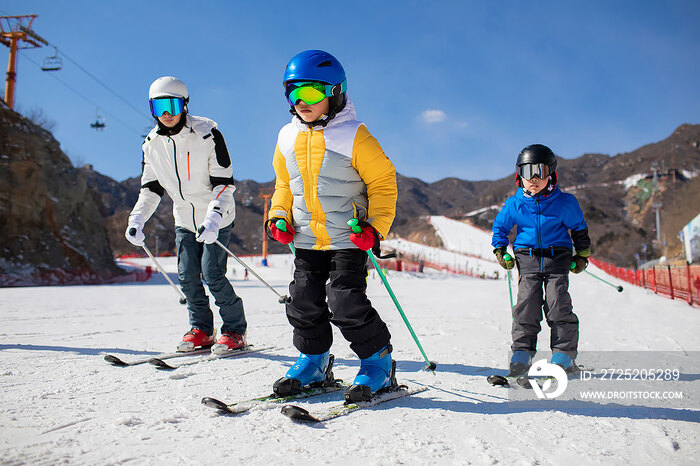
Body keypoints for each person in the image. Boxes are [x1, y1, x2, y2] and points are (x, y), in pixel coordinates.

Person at [265, 50, 398, 402]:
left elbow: (383, 184)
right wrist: (278, 216)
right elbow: (283, 184)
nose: (301, 102)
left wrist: (375, 226)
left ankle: (377, 363)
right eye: (293, 93)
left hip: (348, 238)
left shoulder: (356, 135)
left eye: (310, 93)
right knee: (303, 299)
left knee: (344, 300)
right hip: (307, 237)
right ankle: (314, 360)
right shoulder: (286, 137)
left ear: (335, 92)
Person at [125, 76, 247, 354]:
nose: (167, 113)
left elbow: (224, 184)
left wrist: (214, 219)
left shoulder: (207, 134)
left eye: (172, 105)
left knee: (212, 273)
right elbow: (151, 188)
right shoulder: (151, 144)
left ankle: (234, 330)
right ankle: (202, 329)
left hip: (217, 216)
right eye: (159, 107)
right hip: (183, 219)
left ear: (185, 105)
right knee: (187, 275)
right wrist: (137, 219)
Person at [491, 144, 591, 376]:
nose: (534, 178)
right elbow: (500, 228)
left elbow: (579, 230)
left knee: (558, 305)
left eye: (540, 171)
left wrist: (582, 255)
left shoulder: (565, 202)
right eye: (528, 172)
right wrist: (500, 251)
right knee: (526, 306)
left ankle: (563, 356)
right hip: (527, 260)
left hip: (558, 260)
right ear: (519, 176)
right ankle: (521, 354)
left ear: (551, 174)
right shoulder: (514, 204)